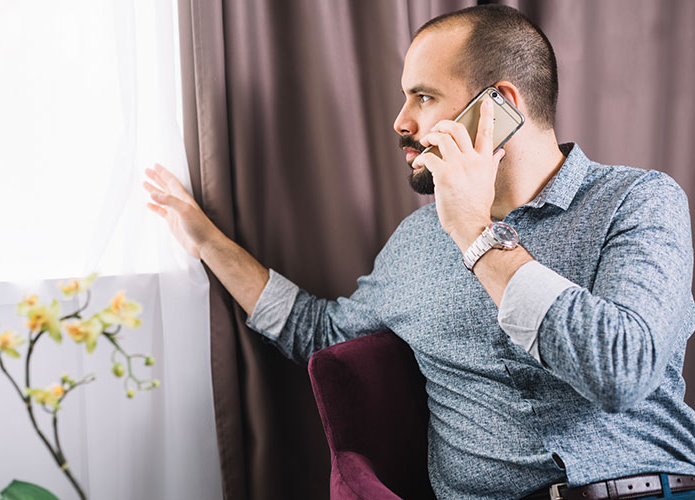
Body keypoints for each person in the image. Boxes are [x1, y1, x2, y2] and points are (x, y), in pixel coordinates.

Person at [143, 5, 695, 499]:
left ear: (496, 108)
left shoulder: (639, 202)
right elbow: (318, 332)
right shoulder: (415, 242)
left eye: (424, 97)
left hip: (645, 489)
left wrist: (477, 236)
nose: (401, 122)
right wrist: (205, 239)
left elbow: (623, 370)